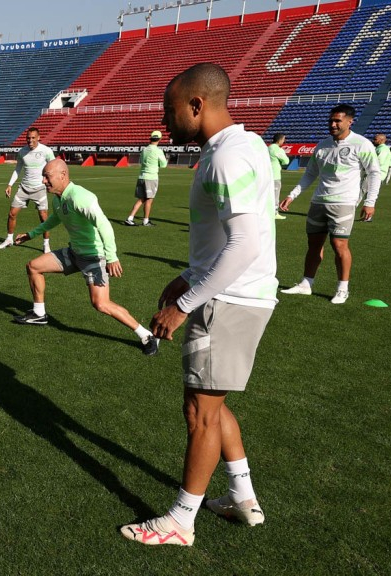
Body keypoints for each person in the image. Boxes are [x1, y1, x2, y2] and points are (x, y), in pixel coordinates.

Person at [121, 63, 278, 547]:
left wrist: (186, 302)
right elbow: (225, 241)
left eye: (171, 112)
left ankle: (180, 521)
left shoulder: (226, 158)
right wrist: (187, 274)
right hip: (233, 294)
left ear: (197, 105)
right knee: (213, 403)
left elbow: (245, 244)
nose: (165, 124)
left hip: (227, 301)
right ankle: (242, 497)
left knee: (199, 411)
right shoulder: (242, 145)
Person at [12, 158, 159, 356]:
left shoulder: (80, 197)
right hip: (74, 253)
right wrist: (31, 235)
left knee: (101, 304)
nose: (44, 181)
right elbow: (54, 219)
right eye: (43, 177)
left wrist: (112, 257)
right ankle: (39, 314)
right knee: (34, 266)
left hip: (93, 257)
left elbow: (104, 224)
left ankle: (146, 335)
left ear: (63, 175)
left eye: (47, 177)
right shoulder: (58, 199)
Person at [278, 104, 382, 305]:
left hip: (343, 203)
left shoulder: (361, 144)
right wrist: (292, 195)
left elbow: (374, 173)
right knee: (314, 244)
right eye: (331, 120)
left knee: (339, 244)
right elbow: (310, 173)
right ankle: (306, 284)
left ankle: (343, 288)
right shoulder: (323, 145)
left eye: (337, 121)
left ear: (350, 122)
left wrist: (370, 202)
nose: (333, 124)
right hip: (318, 201)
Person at [0, 127, 55, 253]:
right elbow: (18, 169)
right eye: (28, 138)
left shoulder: (46, 151)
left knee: (44, 218)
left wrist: (51, 184)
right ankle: (9, 239)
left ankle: (46, 244)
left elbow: (54, 167)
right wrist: (10, 185)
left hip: (39, 189)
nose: (30, 140)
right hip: (24, 188)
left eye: (33, 138)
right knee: (12, 214)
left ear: (38, 138)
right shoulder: (22, 151)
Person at [123, 130, 168, 226]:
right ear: (159, 139)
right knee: (149, 200)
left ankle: (130, 218)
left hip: (142, 176)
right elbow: (164, 164)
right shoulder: (158, 151)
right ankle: (145, 220)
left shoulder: (144, 149)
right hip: (151, 177)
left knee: (141, 199)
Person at [268, 133, 290, 220]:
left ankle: (268, 211)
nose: (284, 141)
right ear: (280, 140)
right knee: (275, 196)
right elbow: (286, 161)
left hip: (267, 175)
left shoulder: (268, 148)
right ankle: (274, 213)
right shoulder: (277, 149)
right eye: (284, 139)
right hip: (275, 176)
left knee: (268, 195)